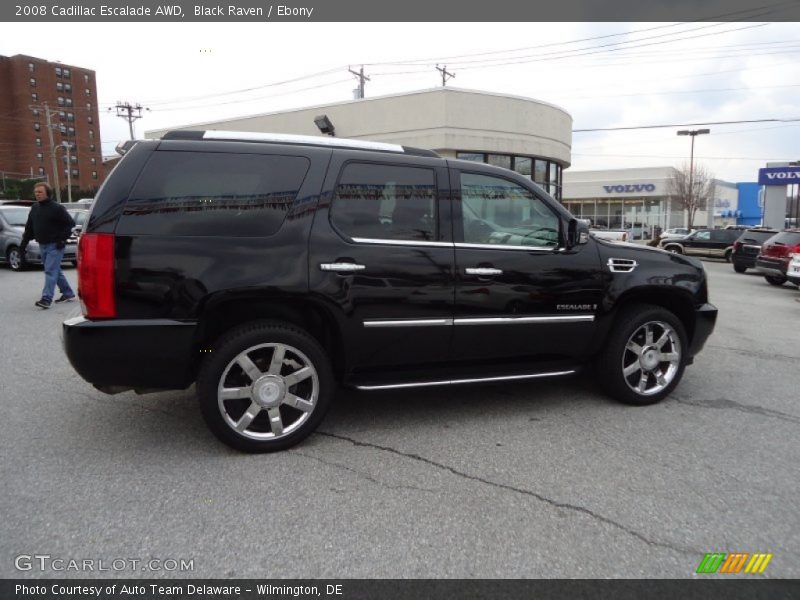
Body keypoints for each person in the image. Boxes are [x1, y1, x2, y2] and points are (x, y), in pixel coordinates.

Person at [19, 182, 76, 309]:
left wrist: (61, 240)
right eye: (36, 192)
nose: (37, 194)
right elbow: (29, 228)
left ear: (47, 193)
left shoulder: (57, 208)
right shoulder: (35, 208)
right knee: (55, 270)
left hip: (55, 246)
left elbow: (70, 224)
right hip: (42, 245)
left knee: (50, 271)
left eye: (40, 192)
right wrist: (23, 244)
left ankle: (46, 298)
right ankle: (68, 293)